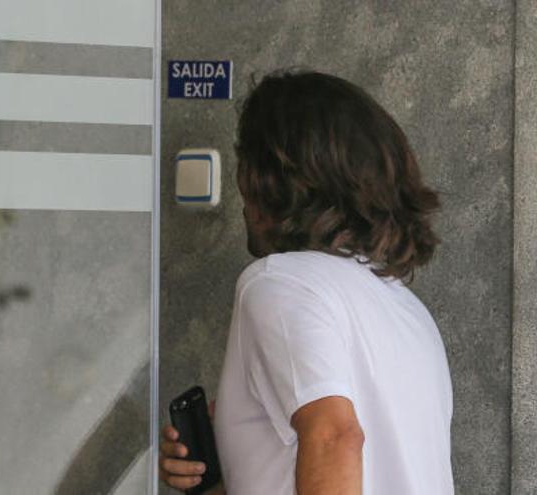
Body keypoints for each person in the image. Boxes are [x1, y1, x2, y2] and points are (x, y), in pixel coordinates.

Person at [159, 69, 453, 494]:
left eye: (246, 165)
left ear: (272, 178)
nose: (242, 192)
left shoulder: (281, 283)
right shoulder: (406, 309)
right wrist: (228, 463)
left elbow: (335, 438)